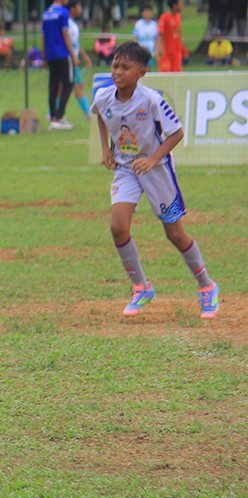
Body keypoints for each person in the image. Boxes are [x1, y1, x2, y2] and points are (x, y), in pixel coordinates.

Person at [92, 41, 218, 319]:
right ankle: (141, 286)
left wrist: (151, 159)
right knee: (118, 228)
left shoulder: (151, 100)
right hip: (126, 168)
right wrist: (106, 148)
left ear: (142, 72)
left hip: (157, 169)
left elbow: (177, 133)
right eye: (115, 65)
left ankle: (207, 285)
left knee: (175, 234)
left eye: (126, 67)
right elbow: (100, 116)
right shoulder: (103, 96)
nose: (118, 71)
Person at [42, 0, 79, 130]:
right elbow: (65, 34)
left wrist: (44, 56)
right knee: (68, 83)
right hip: (62, 53)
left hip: (51, 54)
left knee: (53, 85)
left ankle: (53, 117)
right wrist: (73, 55)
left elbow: (44, 35)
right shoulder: (63, 12)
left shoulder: (46, 13)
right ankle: (59, 116)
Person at [67, 0, 93, 120]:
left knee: (64, 86)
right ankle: (87, 113)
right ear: (72, 8)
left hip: (71, 60)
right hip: (68, 60)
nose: (80, 9)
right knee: (77, 85)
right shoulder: (67, 23)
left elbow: (75, 43)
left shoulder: (73, 24)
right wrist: (73, 57)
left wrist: (84, 56)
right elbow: (67, 42)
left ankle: (52, 113)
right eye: (78, 6)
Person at [156, 0, 183, 73]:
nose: (182, 5)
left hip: (177, 53)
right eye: (180, 3)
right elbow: (160, 33)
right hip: (166, 53)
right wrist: (159, 47)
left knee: (177, 74)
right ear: (174, 5)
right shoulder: (164, 17)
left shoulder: (178, 17)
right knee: (165, 74)